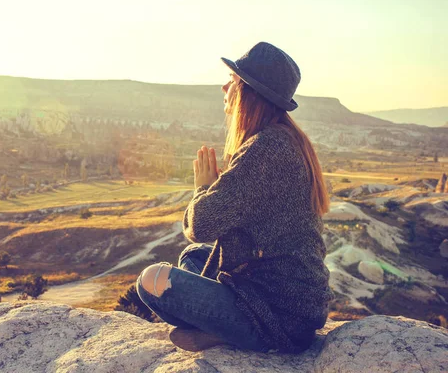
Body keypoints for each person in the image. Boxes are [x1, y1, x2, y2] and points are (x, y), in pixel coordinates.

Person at [135, 41, 334, 353]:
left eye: (232, 79)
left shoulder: (266, 148)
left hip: (278, 315)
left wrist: (203, 187)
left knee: (151, 280)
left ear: (248, 91)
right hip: (280, 297)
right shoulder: (280, 139)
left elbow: (199, 226)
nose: (224, 86)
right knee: (194, 257)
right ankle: (219, 328)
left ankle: (233, 333)